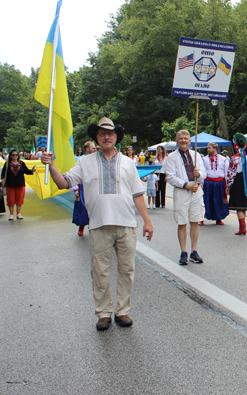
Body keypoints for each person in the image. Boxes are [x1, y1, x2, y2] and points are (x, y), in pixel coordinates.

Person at [41, 117, 153, 331]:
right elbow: (64, 182)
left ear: (116, 137)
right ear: (97, 138)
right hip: (99, 225)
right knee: (100, 271)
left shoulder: (129, 163)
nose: (106, 137)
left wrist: (147, 221)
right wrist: (51, 165)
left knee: (127, 270)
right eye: (102, 134)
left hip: (127, 224)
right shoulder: (85, 162)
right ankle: (103, 313)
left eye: (110, 133)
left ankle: (122, 310)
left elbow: (138, 194)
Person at [165, 130, 207, 265]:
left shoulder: (196, 155)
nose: (184, 140)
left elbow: (204, 173)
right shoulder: (171, 157)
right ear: (177, 141)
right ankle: (184, 251)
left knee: (195, 220)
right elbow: (170, 177)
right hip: (182, 191)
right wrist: (186, 186)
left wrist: (198, 173)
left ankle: (194, 251)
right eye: (181, 138)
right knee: (182, 221)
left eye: (186, 138)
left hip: (196, 190)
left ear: (190, 141)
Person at [226, 133, 247, 235]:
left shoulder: (234, 158)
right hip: (245, 183)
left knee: (238, 207)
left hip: (237, 181)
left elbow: (231, 173)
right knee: (243, 206)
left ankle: (242, 228)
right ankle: (243, 227)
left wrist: (228, 185)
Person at [1, 149, 36, 220]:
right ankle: (11, 214)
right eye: (13, 155)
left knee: (19, 199)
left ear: (18, 155)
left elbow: (26, 171)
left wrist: (32, 170)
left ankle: (18, 213)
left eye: (16, 155)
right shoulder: (7, 164)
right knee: (10, 199)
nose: (15, 156)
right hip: (10, 184)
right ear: (10, 156)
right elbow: (3, 174)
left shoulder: (22, 163)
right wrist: (3, 181)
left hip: (20, 184)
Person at [200, 142, 229, 226]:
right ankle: (201, 218)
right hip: (207, 183)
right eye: (208, 148)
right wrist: (201, 182)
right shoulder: (204, 159)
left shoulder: (223, 159)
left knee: (219, 201)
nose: (207, 149)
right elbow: (201, 171)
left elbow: (227, 172)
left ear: (215, 149)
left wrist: (227, 185)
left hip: (219, 183)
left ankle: (218, 218)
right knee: (205, 200)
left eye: (209, 148)